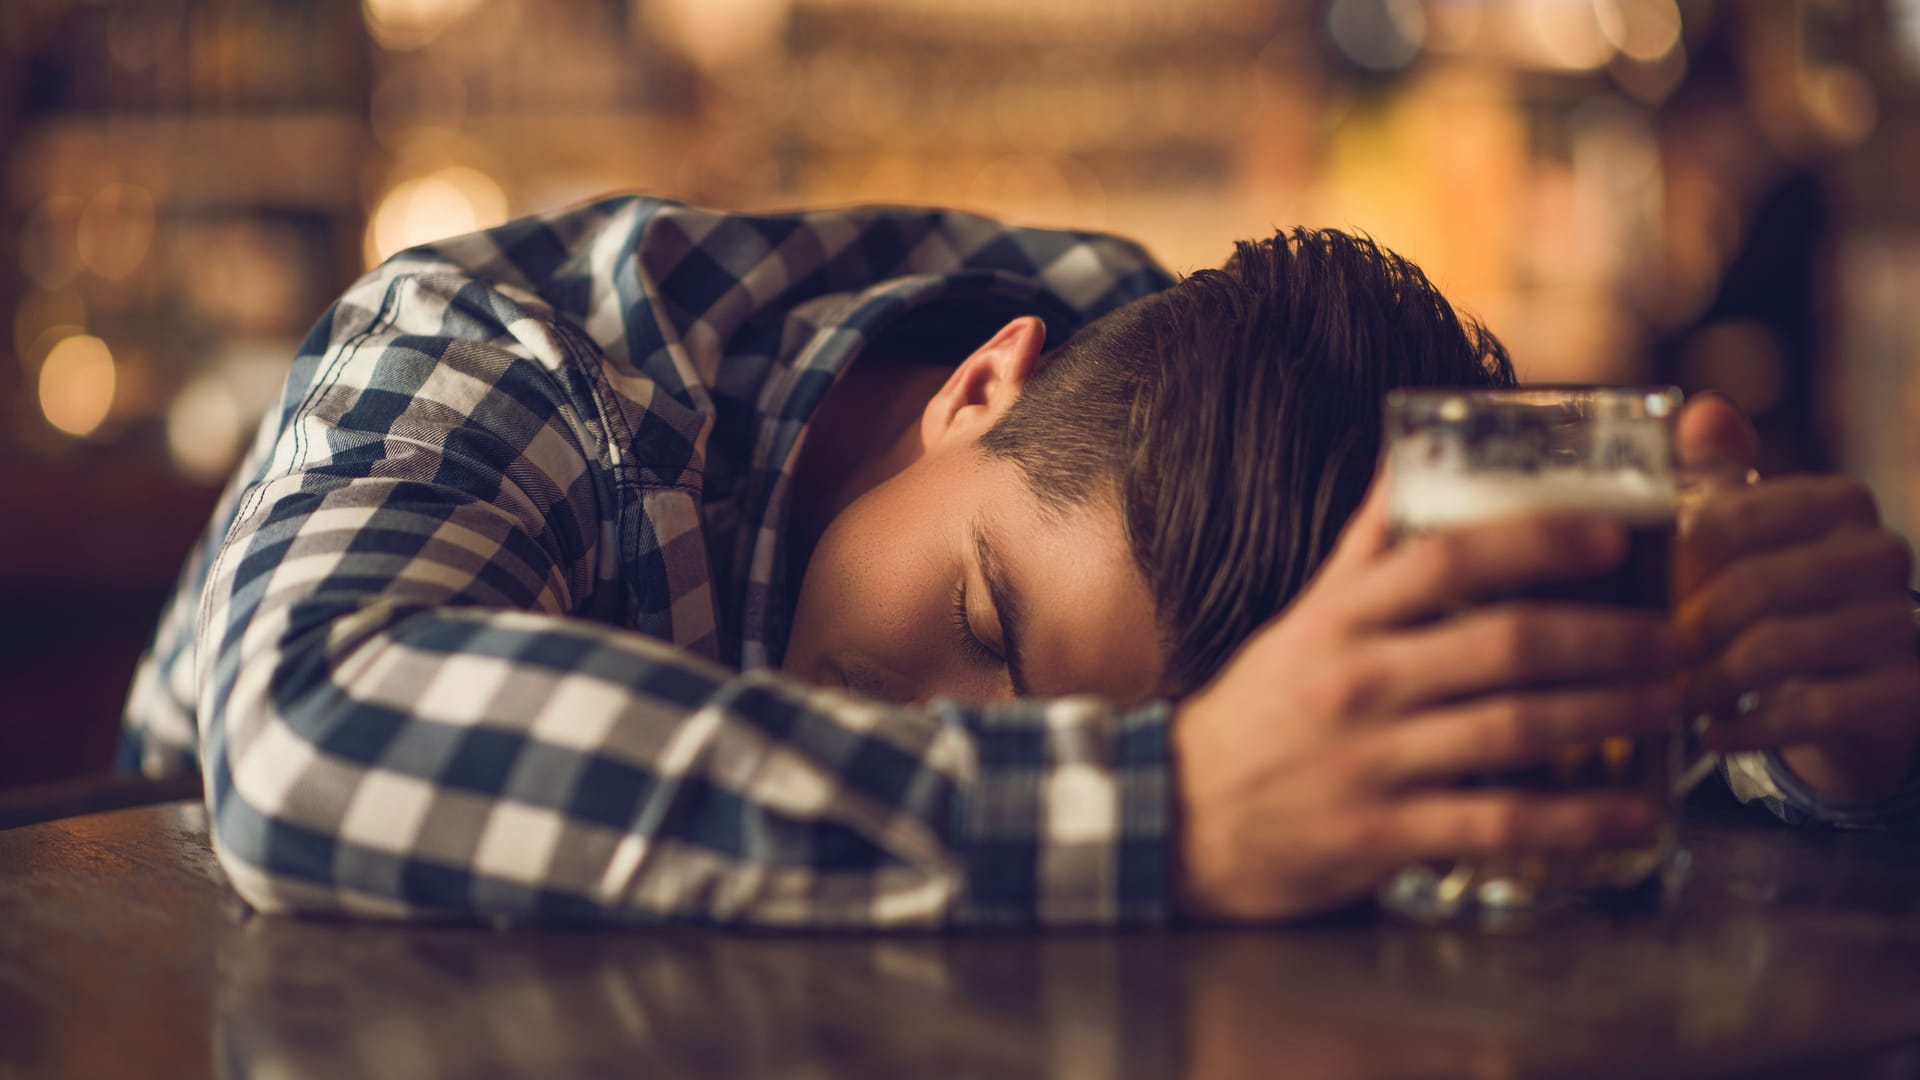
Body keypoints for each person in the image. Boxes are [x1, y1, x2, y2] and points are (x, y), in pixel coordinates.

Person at [122, 197, 1920, 926]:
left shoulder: (1242, 406)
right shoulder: (501, 351)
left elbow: (1560, 575)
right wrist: (1181, 805)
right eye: (984, 617)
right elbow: (301, 749)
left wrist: (1790, 710)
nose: (947, 711)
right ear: (984, 388)